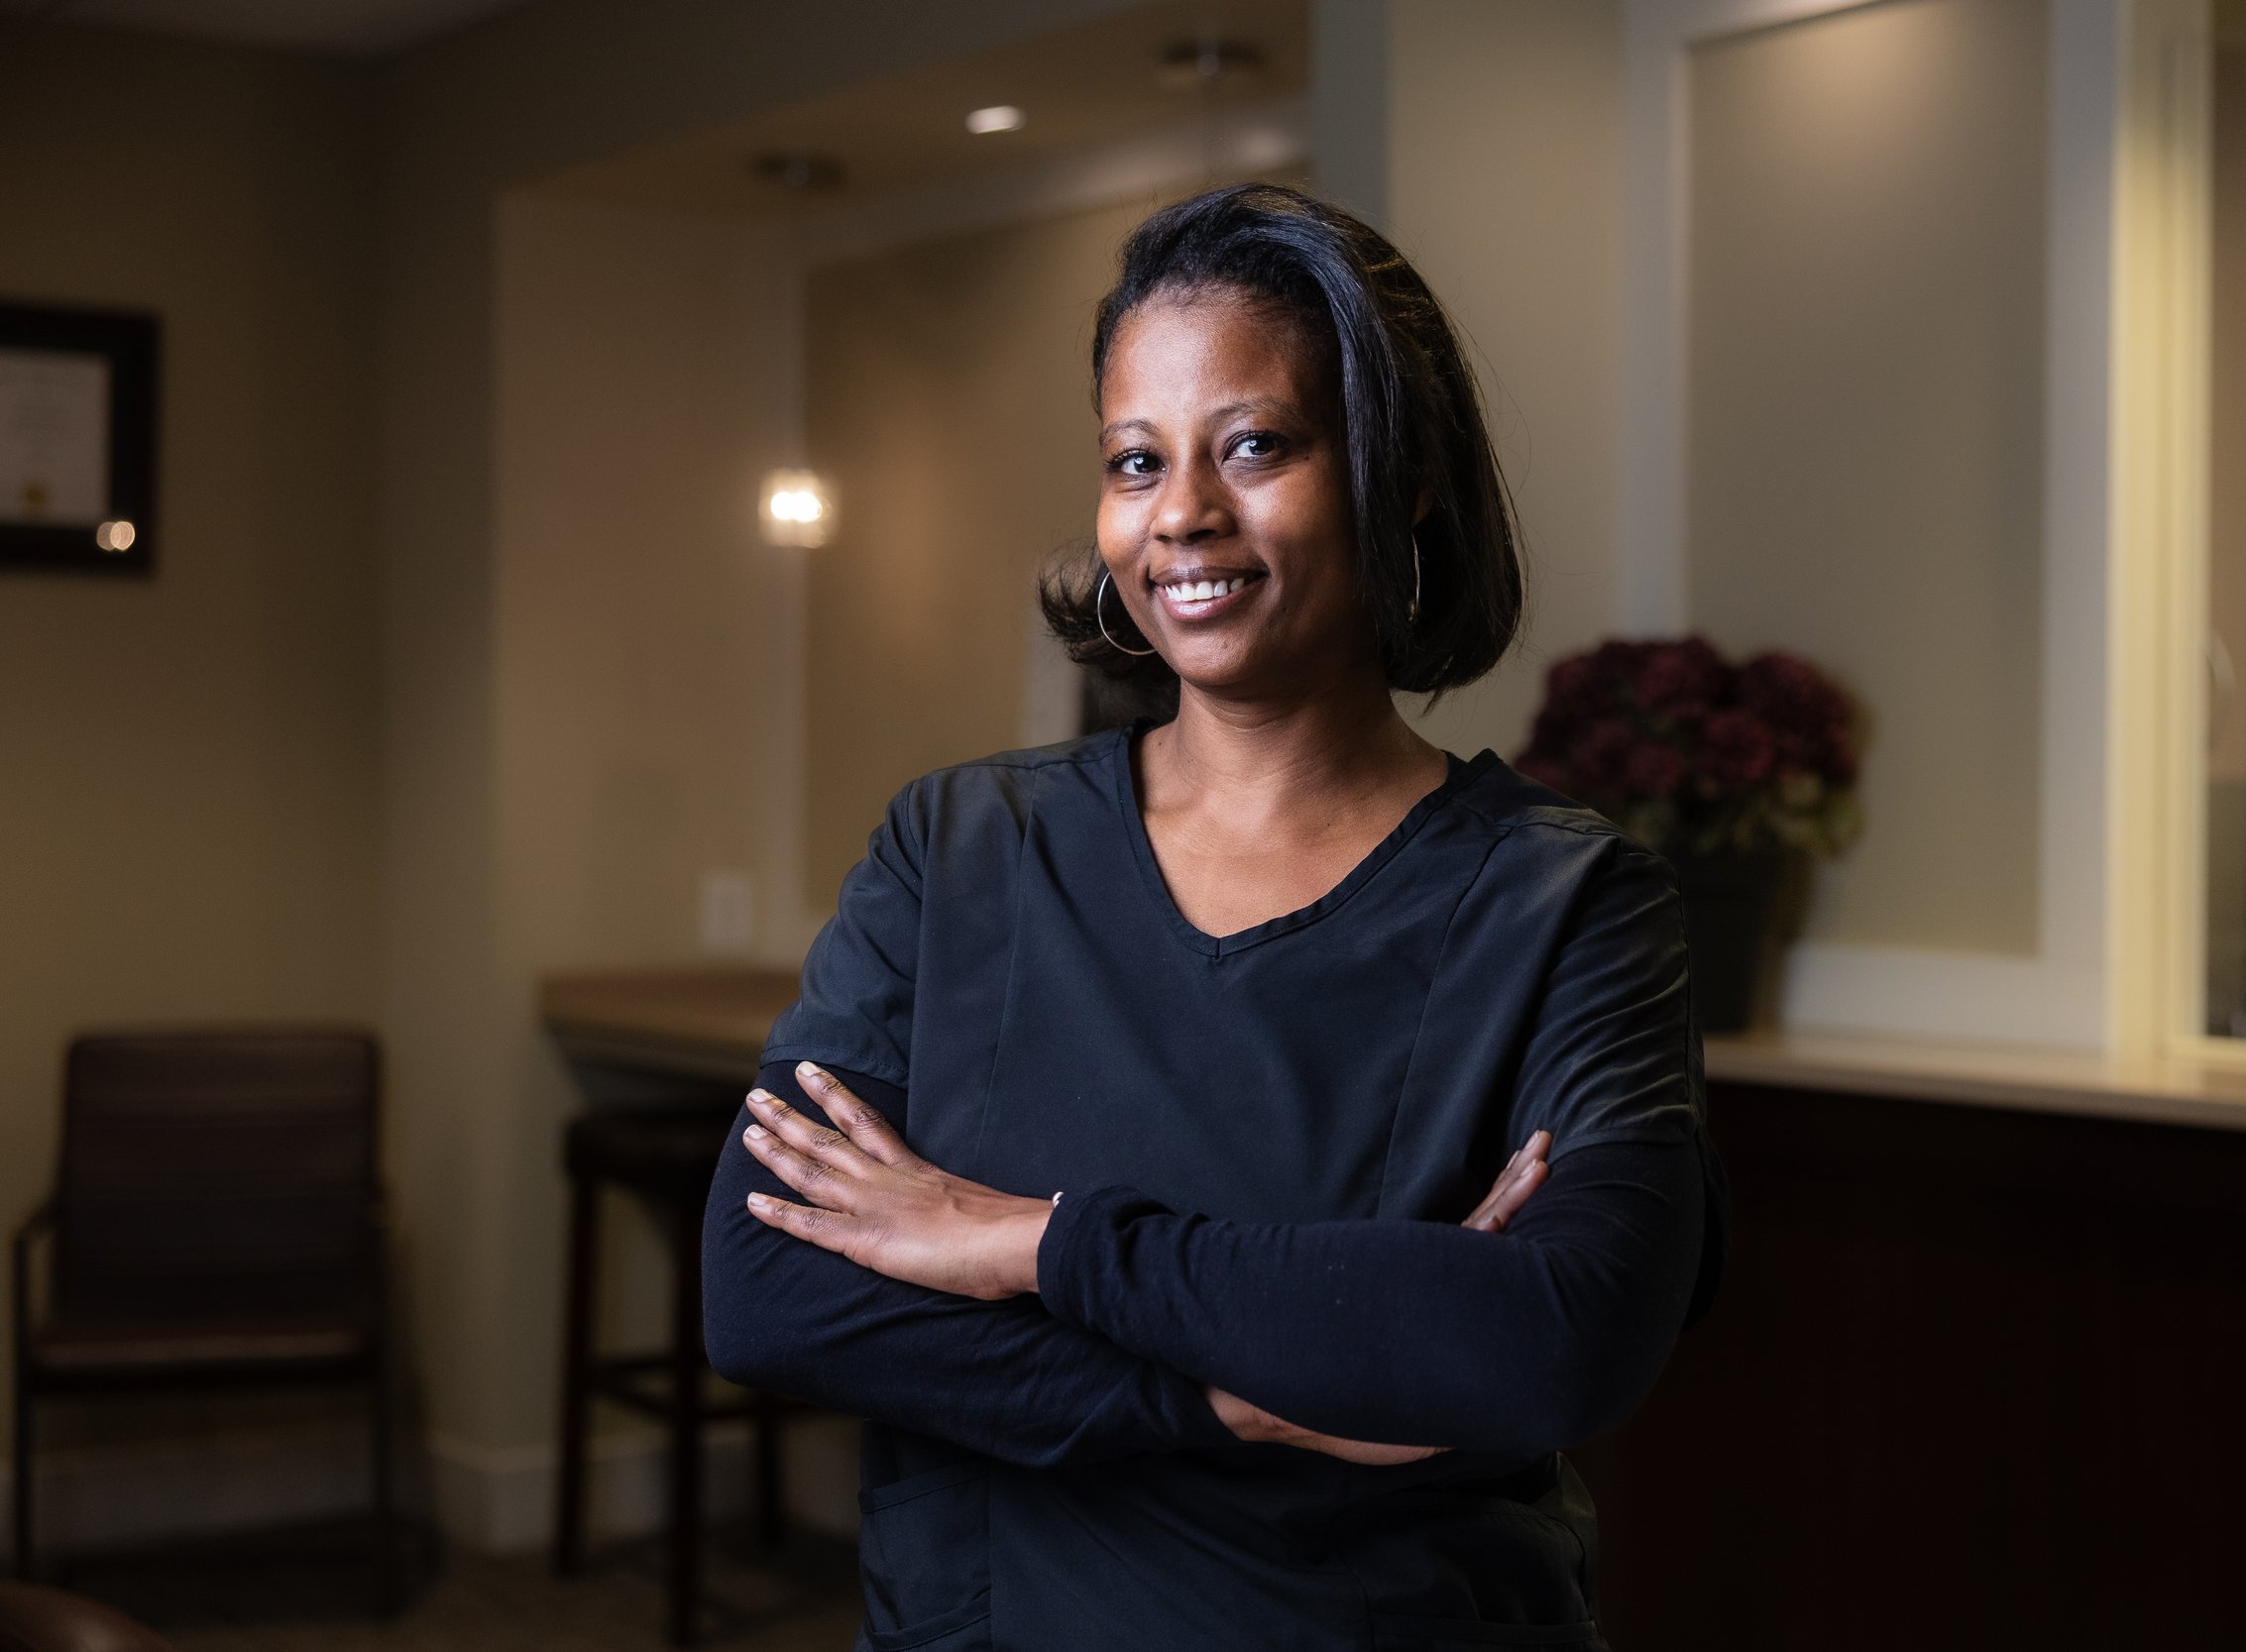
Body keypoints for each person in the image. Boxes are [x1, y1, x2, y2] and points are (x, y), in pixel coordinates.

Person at [703, 181, 1725, 1652]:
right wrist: (1232, 1391)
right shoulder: (958, 850)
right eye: (1135, 460)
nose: (1182, 513)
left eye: (1255, 445)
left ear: (1401, 477)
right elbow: (769, 1286)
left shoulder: (1568, 904)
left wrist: (1031, 1248)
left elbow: (1551, 1338)